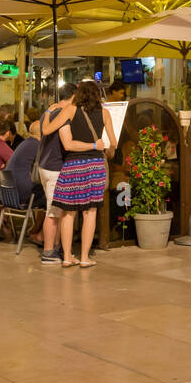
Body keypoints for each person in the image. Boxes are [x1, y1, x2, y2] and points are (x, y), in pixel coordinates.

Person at [54, 80, 116, 268]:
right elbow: (112, 143)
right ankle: (84, 257)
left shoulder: (72, 110)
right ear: (98, 95)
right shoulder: (105, 113)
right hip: (95, 165)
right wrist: (107, 150)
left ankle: (66, 256)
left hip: (73, 164)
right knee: (90, 212)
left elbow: (65, 140)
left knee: (68, 212)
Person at [0, 120, 47, 248]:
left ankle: (34, 230)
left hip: (10, 194)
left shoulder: (25, 143)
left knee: (44, 191)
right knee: (52, 196)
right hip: (21, 196)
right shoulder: (39, 145)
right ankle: (39, 234)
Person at [38, 83, 78, 264]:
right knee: (53, 212)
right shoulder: (63, 114)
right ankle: (48, 252)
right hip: (54, 167)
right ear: (74, 96)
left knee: (57, 210)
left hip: (44, 165)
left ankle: (55, 248)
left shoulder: (49, 111)